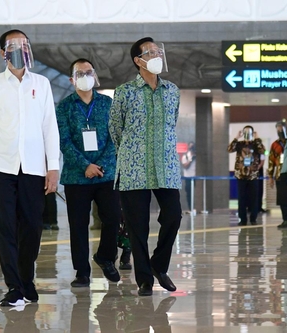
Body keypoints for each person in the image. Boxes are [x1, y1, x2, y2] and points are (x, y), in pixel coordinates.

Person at [0, 29, 60, 306]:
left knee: (32, 226)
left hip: (33, 168)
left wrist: (53, 167)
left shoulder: (41, 84)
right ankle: (15, 286)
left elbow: (49, 127)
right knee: (4, 227)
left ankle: (26, 279)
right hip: (1, 166)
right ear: (3, 52)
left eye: (24, 43)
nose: (20, 48)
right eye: (13, 45)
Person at [109, 37, 182, 296]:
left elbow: (171, 124)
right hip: (133, 167)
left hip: (166, 166)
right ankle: (144, 280)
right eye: (150, 53)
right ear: (138, 61)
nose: (156, 55)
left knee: (173, 216)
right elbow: (115, 129)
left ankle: (158, 265)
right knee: (137, 226)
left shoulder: (172, 90)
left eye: (158, 51)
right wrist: (132, 152)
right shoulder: (125, 91)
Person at [56, 58, 121, 288]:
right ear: (71, 79)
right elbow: (64, 141)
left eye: (88, 72)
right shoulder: (64, 107)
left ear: (94, 75)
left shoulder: (107, 103)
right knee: (79, 225)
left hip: (106, 173)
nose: (85, 76)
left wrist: (100, 165)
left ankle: (105, 256)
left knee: (113, 218)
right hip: (76, 176)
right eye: (80, 73)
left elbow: (115, 137)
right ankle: (82, 272)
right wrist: (85, 165)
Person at [228, 126, 265, 226]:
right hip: (241, 175)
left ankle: (253, 218)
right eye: (246, 131)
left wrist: (257, 138)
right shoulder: (239, 145)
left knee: (254, 198)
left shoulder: (255, 144)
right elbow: (230, 149)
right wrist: (236, 137)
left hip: (253, 175)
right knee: (242, 198)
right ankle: (242, 219)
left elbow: (262, 150)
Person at [268, 121, 287, 189]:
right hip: (279, 175)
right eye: (278, 130)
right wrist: (270, 176)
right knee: (280, 196)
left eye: (281, 130)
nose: (280, 132)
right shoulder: (274, 145)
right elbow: (271, 161)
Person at [181, 141, 196, 213]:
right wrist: (191, 160)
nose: (192, 149)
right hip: (188, 178)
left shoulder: (196, 156)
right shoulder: (186, 156)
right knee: (189, 193)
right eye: (191, 147)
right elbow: (185, 166)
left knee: (194, 193)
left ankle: (195, 208)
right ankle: (190, 208)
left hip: (195, 177)